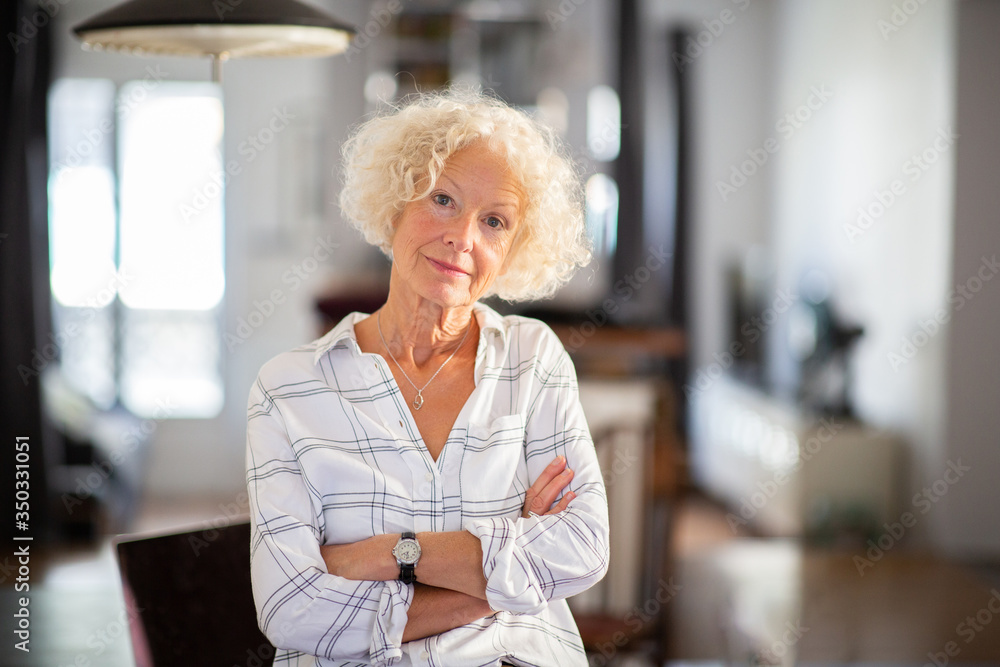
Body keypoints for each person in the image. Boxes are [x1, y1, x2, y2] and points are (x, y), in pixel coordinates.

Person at [246, 89, 609, 667]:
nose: (463, 237)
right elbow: (292, 610)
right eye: (443, 199)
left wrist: (393, 553)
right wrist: (506, 578)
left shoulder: (533, 358)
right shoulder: (289, 388)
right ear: (395, 203)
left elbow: (583, 550)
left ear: (512, 250)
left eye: (494, 221)